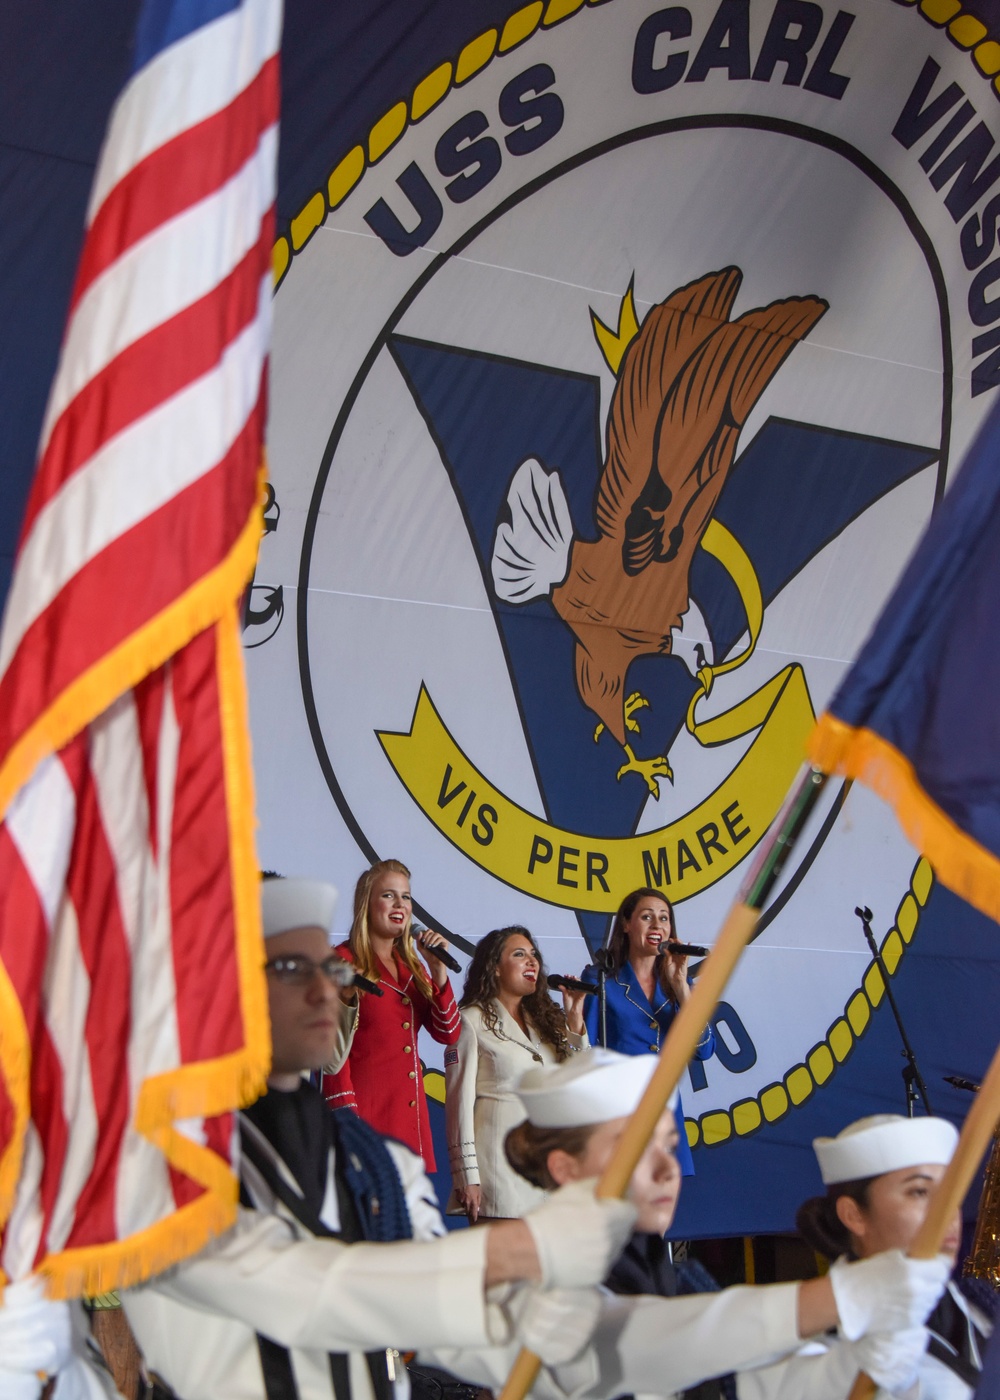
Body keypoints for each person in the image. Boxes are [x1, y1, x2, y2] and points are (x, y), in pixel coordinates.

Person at [120, 875, 637, 1400]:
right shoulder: (174, 1158)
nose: (326, 990)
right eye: (293, 969)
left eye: (331, 970)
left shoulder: (383, 1168)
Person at [428, 1049, 953, 1400]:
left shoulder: (677, 1278)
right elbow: (653, 1343)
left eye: (670, 1146)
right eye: (637, 1147)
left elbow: (760, 1382)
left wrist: (871, 1361)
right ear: (566, 1169)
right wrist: (840, 1298)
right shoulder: (531, 1280)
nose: (666, 1169)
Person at [737, 1113, 992, 1400]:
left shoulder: (983, 1311)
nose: (947, 1212)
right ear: (854, 1215)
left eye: (950, 1193)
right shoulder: (813, 1343)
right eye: (919, 1192)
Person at [322, 859, 460, 1170]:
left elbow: (448, 1033)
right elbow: (332, 1055)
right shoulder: (342, 961)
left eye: (406, 897)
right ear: (366, 904)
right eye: (389, 895)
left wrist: (439, 972)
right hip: (366, 1124)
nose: (400, 904)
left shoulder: (412, 966)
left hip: (410, 1128)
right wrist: (347, 1121)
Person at [446, 925, 589, 1222]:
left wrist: (574, 1022)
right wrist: (466, 1176)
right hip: (498, 1176)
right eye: (520, 954)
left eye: (534, 955)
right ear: (495, 968)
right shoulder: (469, 1021)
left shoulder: (545, 1024)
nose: (532, 962)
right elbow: (458, 1104)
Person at [582, 888, 714, 1174]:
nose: (657, 926)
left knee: (658, 1215)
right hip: (618, 1113)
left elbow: (704, 1049)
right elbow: (583, 1051)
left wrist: (680, 985)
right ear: (627, 925)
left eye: (664, 919)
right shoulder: (600, 978)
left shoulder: (679, 986)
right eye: (647, 917)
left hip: (665, 1115)